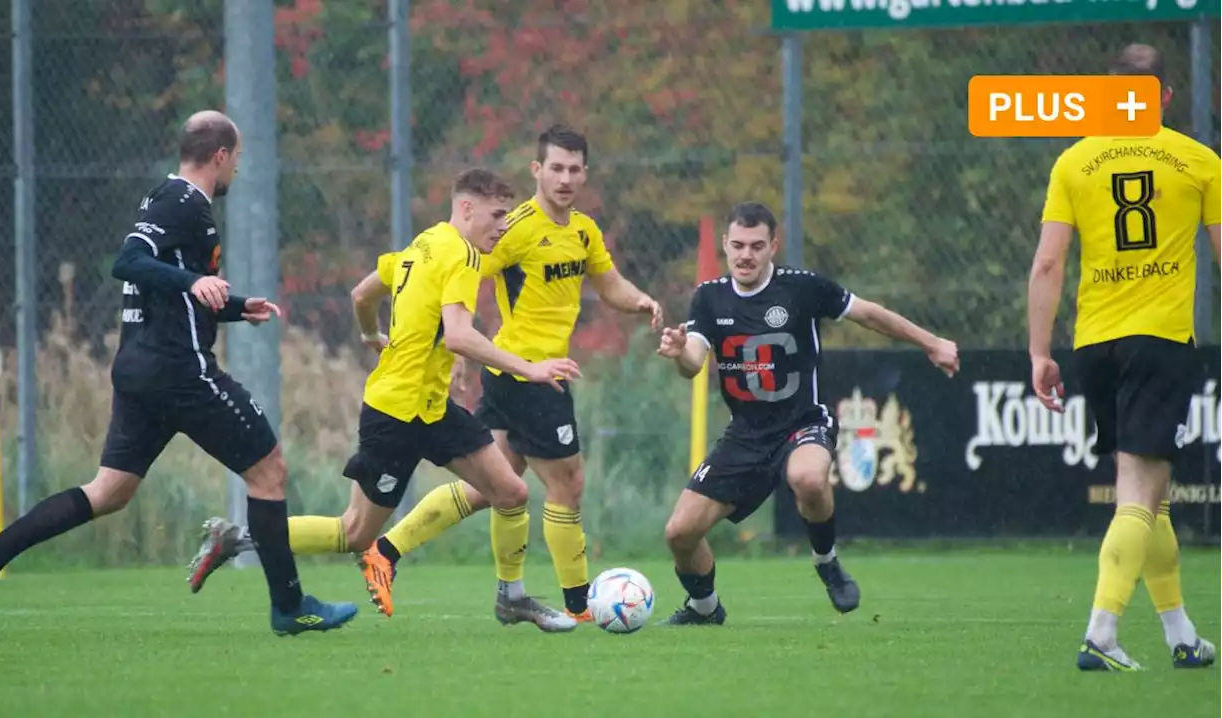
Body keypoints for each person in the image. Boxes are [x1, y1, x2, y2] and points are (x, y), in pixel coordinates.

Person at [187, 126, 661, 625]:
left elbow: (362, 293)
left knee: (511, 492)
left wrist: (372, 335)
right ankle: (238, 537)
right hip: (397, 412)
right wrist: (531, 367)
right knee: (354, 532)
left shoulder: (426, 241)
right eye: (498, 217)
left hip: (432, 407)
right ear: (468, 210)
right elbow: (458, 334)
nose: (503, 227)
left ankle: (512, 597)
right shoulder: (462, 255)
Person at [0, 110, 358, 636]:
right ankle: (290, 606)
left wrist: (234, 306)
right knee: (269, 471)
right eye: (236, 158)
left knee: (109, 491)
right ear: (221, 156)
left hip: (140, 366)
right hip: (178, 370)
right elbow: (129, 261)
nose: (236, 168)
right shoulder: (184, 202)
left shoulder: (164, 197)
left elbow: (169, 288)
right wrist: (193, 282)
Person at [654, 201, 959, 626]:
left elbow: (869, 314)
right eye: (738, 245)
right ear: (725, 244)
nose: (746, 255)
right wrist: (676, 354)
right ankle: (704, 608)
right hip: (745, 435)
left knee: (808, 477)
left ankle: (826, 560)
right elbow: (693, 364)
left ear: (772, 246)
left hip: (803, 423)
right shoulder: (709, 297)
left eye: (756, 246)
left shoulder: (802, 288)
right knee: (679, 534)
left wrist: (931, 342)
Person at [1028, 43, 1220, 671]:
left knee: (1148, 495)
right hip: (1159, 340)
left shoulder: (1074, 161)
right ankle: (1101, 633)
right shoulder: (1199, 162)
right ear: (1165, 96)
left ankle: (1180, 635)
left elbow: (1049, 263)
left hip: (1095, 344)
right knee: (1139, 492)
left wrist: (1039, 351)